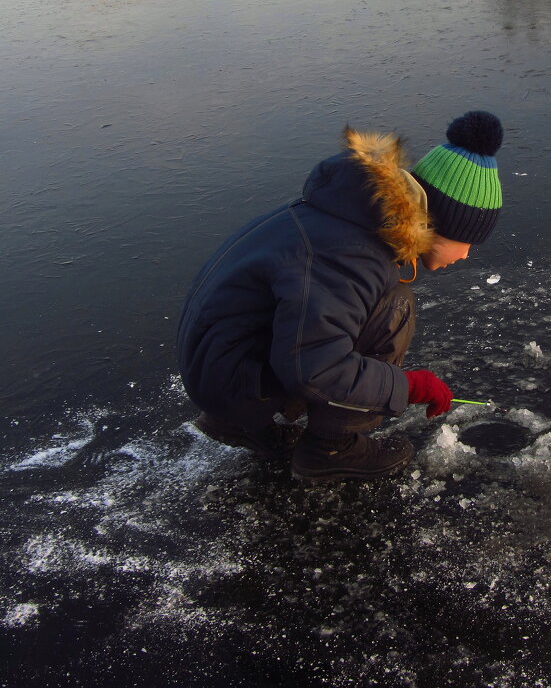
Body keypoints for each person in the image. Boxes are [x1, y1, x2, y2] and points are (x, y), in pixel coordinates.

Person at [177, 110, 504, 484]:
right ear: (437, 225)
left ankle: (240, 423)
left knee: (362, 308)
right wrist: (409, 386)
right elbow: (316, 369)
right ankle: (331, 449)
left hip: (220, 366)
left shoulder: (346, 218)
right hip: (229, 381)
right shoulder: (350, 256)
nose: (466, 255)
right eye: (467, 242)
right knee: (395, 307)